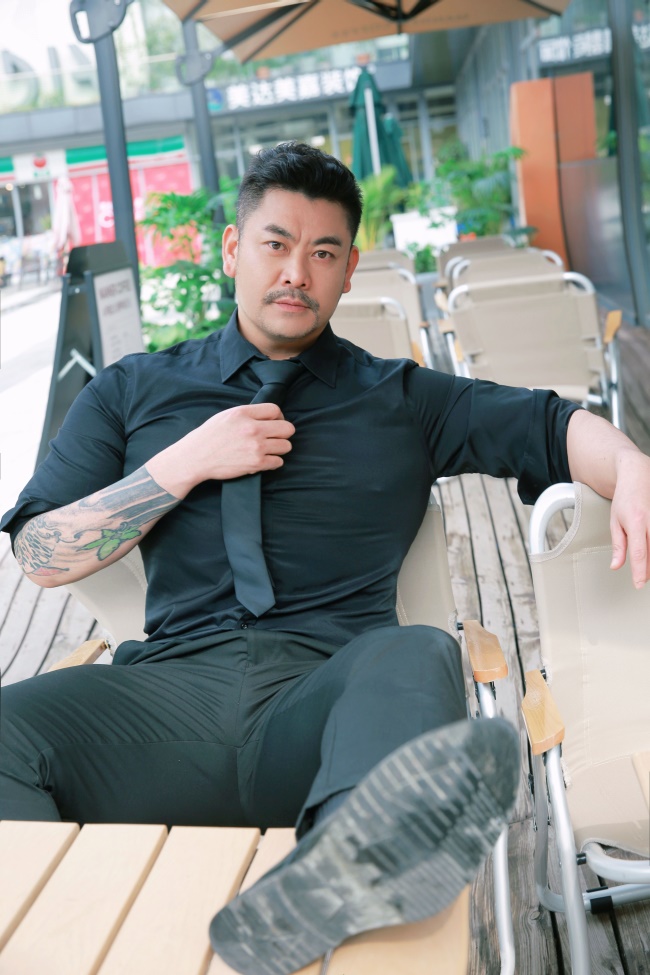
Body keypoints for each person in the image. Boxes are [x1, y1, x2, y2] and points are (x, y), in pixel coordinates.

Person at [1, 143, 649, 975]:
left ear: (348, 273)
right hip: (164, 704)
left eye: (324, 252)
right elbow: (41, 552)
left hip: (325, 703)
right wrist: (182, 463)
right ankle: (61, 934)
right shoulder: (134, 390)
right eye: (275, 243)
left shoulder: (401, 397)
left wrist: (631, 465)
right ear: (233, 250)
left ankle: (341, 875)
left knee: (419, 650)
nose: (296, 272)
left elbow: (553, 425)